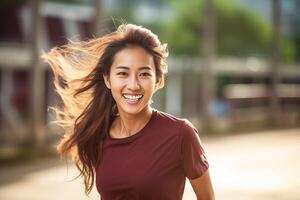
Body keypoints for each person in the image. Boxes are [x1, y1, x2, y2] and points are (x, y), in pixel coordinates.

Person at [43, 23, 215, 200]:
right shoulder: (100, 131)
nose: (133, 85)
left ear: (158, 81)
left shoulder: (180, 134)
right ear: (108, 80)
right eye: (123, 74)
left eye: (144, 74)